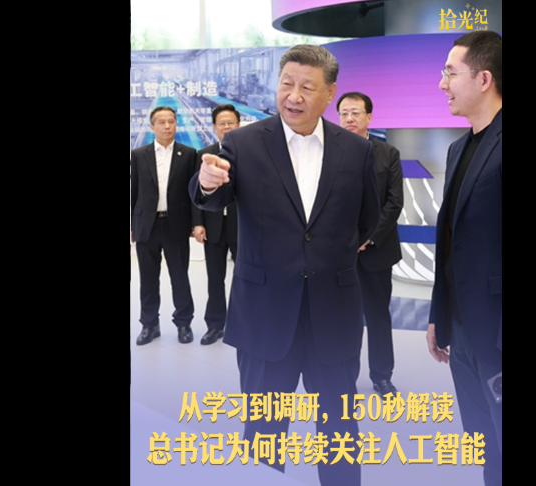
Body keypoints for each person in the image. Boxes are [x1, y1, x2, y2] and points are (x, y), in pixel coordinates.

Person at [190, 44, 379, 486]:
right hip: (264, 315)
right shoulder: (243, 143)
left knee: (338, 429)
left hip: (332, 314)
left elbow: (367, 220)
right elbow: (212, 195)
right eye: (286, 84)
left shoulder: (356, 151)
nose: (293, 96)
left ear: (329, 92)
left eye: (307, 87)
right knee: (264, 433)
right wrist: (207, 181)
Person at [427, 31, 502, 486]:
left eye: (450, 73)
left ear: (484, 79)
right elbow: (452, 243)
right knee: (483, 439)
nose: (442, 84)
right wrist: (440, 315)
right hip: (463, 328)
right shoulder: (459, 149)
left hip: (496, 331)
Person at [336, 92, 404, 396]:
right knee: (343, 318)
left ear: (369, 117)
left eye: (355, 112)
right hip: (339, 252)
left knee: (378, 315)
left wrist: (369, 237)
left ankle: (382, 375)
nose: (349, 118)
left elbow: (394, 202)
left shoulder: (388, 153)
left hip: (377, 250)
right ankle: (343, 377)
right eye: (344, 113)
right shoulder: (328, 152)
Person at [131, 106, 204, 346]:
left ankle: (183, 324)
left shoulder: (189, 154)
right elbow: (134, 191)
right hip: (147, 225)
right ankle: (149, 325)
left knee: (180, 278)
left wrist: (197, 223)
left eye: (171, 121)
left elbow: (194, 193)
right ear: (152, 126)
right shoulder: (138, 154)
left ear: (176, 124)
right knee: (148, 280)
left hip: (176, 225)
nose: (167, 126)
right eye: (161, 122)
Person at [194, 104, 240, 345]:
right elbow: (196, 194)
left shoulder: (248, 154)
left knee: (245, 279)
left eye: (230, 122)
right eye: (222, 123)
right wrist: (197, 224)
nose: (226, 127)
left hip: (241, 228)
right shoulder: (204, 154)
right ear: (214, 127)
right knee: (214, 279)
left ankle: (244, 324)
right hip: (213, 227)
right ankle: (215, 325)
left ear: (238, 125)